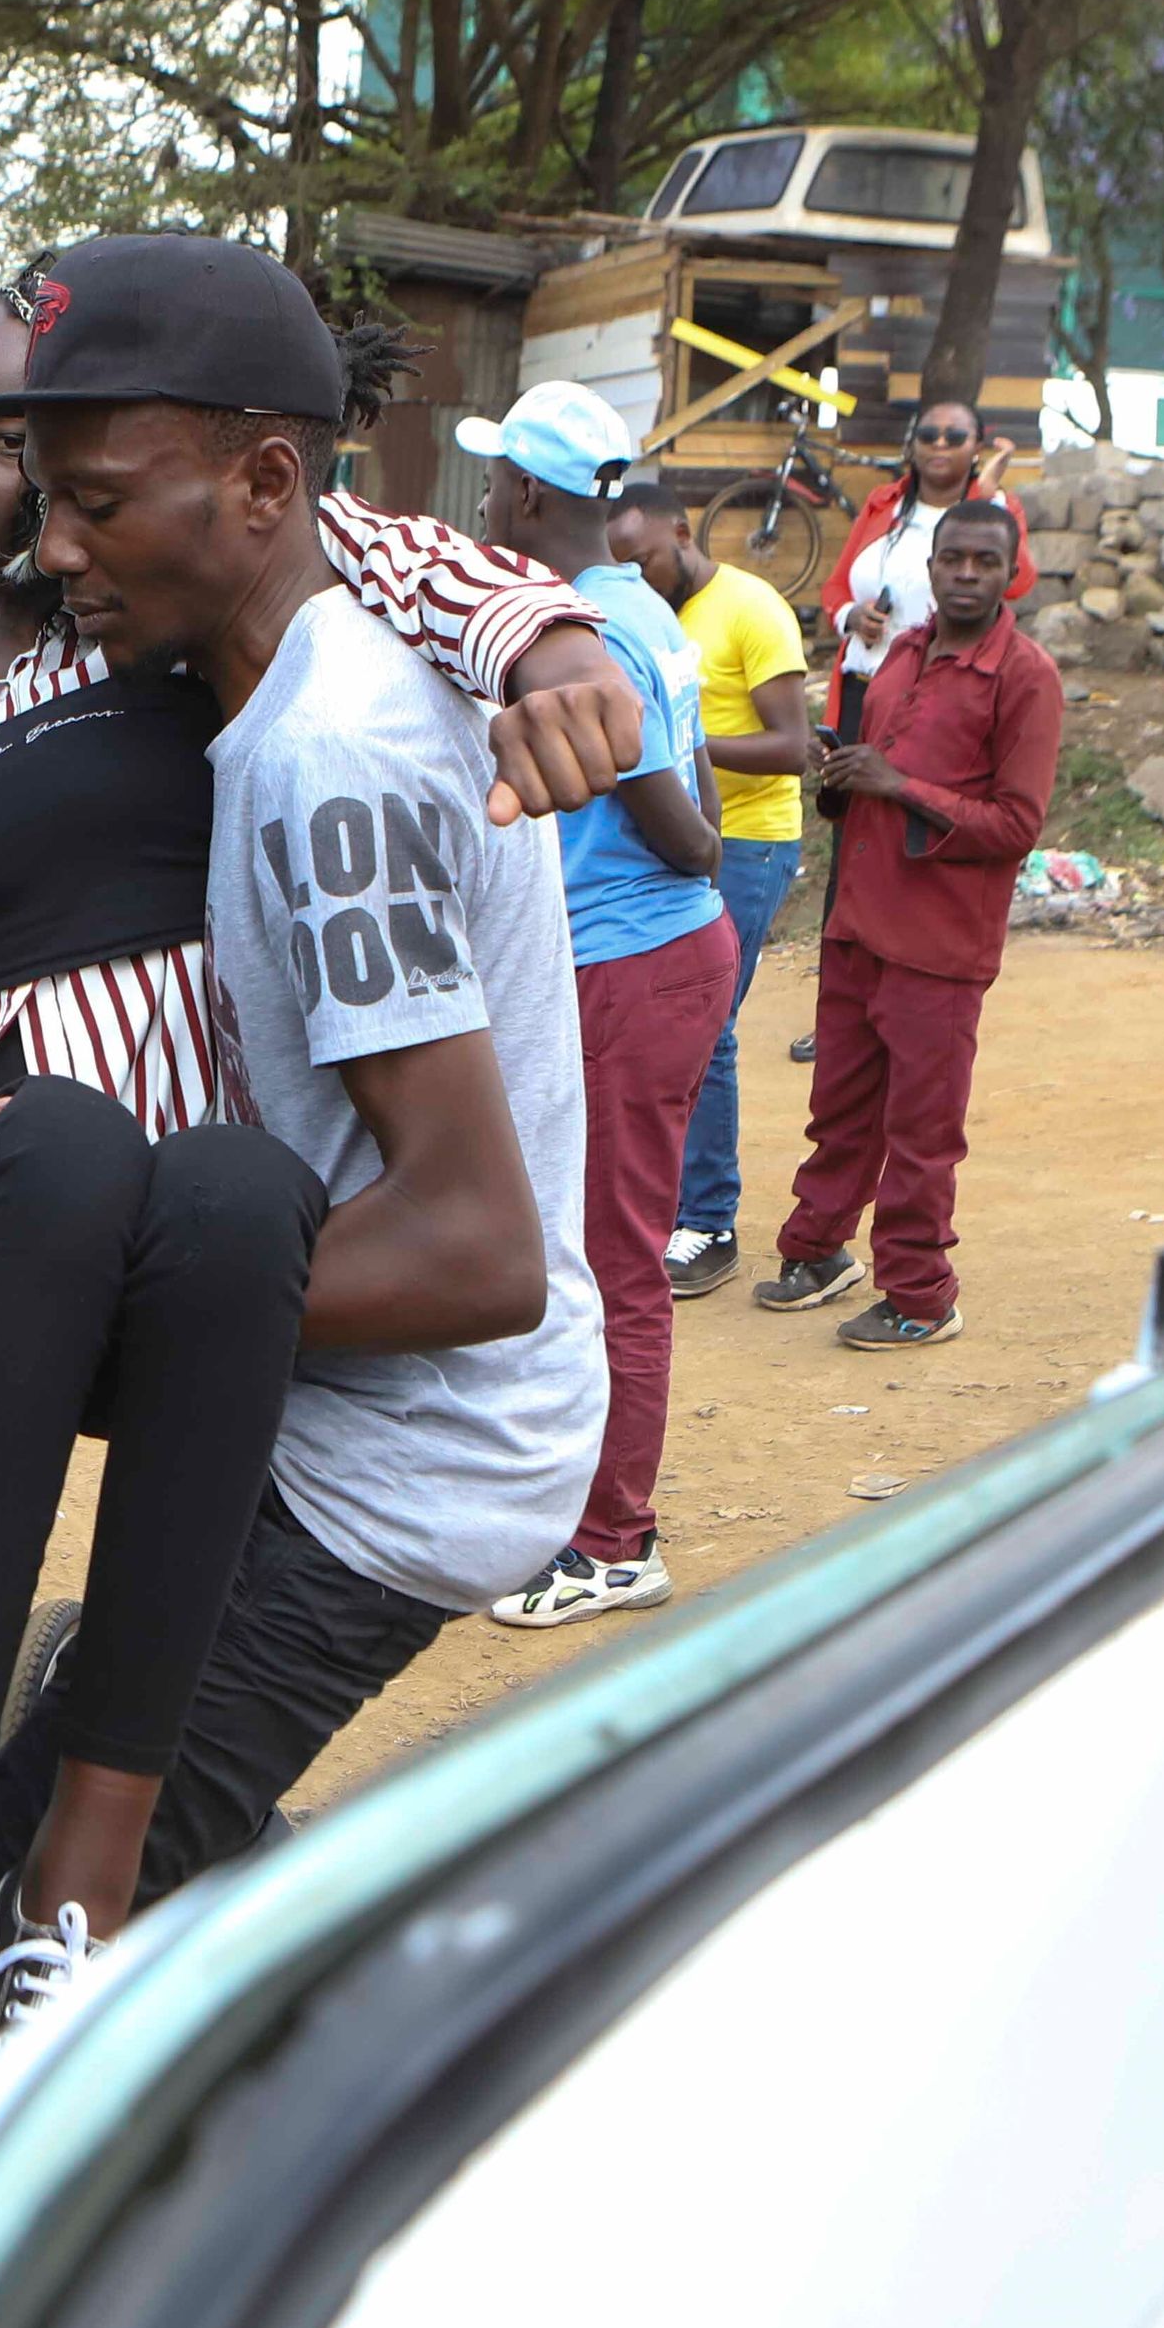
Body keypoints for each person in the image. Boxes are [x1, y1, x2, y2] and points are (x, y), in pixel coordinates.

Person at [0, 258, 636, 2180]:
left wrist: (64, 1305)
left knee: (26, 1938)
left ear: (263, 491)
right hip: (293, 1394)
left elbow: (475, 1254)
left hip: (395, 1469)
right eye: (37, 486)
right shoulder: (229, 683)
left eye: (98, 501)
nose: (53, 536)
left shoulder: (330, 766)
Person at [456, 390, 733, 1631]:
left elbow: (690, 842)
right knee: (577, 1240)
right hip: (636, 963)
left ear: (526, 495)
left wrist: (626, 773)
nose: (482, 502)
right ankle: (567, 1504)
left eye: (495, 481)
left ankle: (616, 1540)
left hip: (636, 963)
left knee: (614, 1256)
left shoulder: (599, 633)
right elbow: (704, 780)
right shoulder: (633, 607)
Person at [756, 502, 1058, 1346]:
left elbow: (1016, 825)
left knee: (922, 1131)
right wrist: (843, 779)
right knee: (840, 1107)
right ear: (930, 568)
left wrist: (898, 787)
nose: (965, 574)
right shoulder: (902, 654)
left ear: (1010, 574)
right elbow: (874, 781)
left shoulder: (1025, 676)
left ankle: (922, 1295)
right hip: (858, 922)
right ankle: (816, 1250)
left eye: (983, 563)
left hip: (941, 944)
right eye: (952, 559)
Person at [613, 481, 819, 1297]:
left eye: (644, 560)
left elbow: (793, 746)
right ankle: (672, 1207)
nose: (633, 576)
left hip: (750, 843)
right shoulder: (641, 612)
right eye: (618, 564)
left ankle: (711, 1222)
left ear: (683, 533)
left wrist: (679, 743)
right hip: (677, 837)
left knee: (712, 1027)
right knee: (669, 1021)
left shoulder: (753, 609)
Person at [793, 401, 1033, 1063]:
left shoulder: (993, 514)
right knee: (854, 845)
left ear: (976, 446)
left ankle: (914, 994)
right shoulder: (881, 507)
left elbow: (1022, 578)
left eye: (955, 437)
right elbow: (837, 586)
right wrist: (851, 618)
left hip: (953, 691)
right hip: (873, 683)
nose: (939, 446)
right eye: (927, 434)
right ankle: (841, 1004)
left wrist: (993, 491)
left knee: (914, 836)